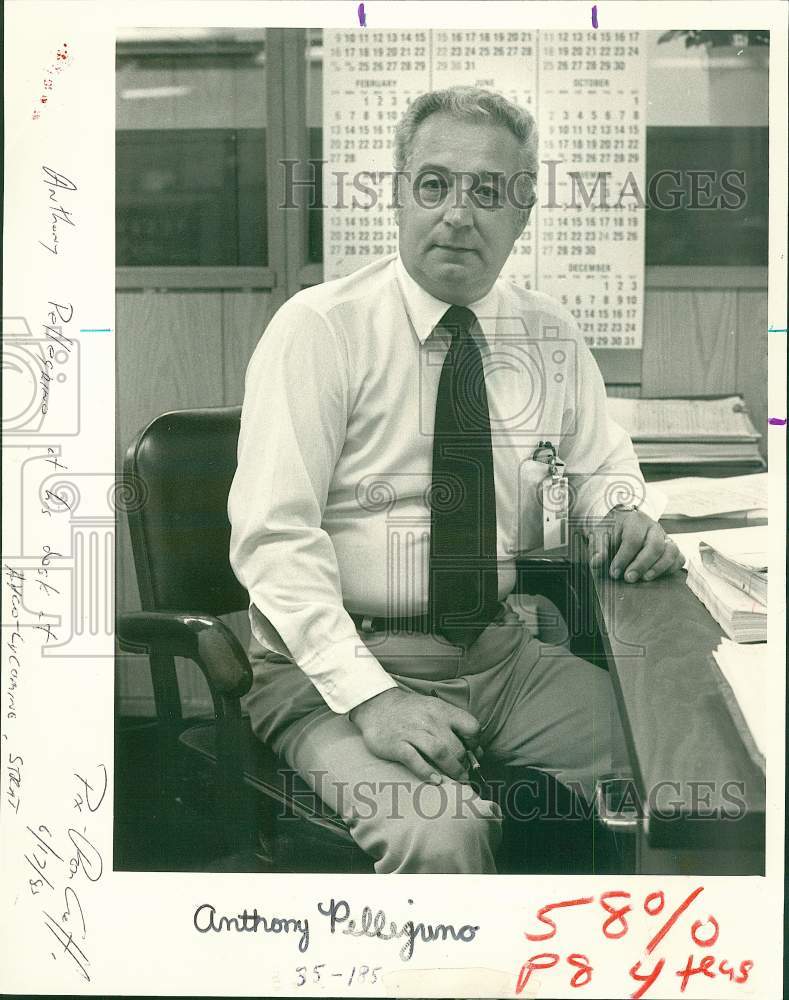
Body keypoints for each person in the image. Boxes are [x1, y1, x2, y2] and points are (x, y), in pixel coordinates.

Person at [228, 86, 683, 874]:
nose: (457, 213)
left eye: (488, 191)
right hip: (336, 666)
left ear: (524, 211)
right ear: (398, 193)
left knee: (676, 769)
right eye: (433, 185)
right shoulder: (319, 329)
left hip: (497, 652)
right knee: (442, 836)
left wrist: (621, 514)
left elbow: (599, 468)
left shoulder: (547, 332)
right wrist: (371, 697)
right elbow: (274, 540)